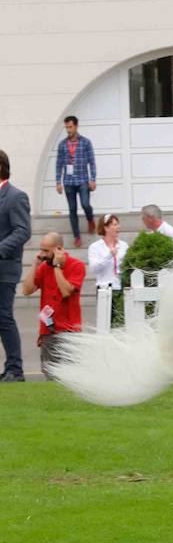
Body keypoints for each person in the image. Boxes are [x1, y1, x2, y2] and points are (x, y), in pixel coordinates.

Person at [20, 231, 85, 377]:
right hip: (48, 331)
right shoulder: (44, 266)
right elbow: (26, 290)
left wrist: (57, 267)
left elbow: (66, 291)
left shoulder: (77, 265)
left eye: (45, 250)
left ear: (59, 249)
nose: (42, 254)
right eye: (41, 249)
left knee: (70, 377)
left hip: (69, 332)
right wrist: (34, 265)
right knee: (50, 377)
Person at [0, 150, 31, 381]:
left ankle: (15, 369)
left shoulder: (15, 196)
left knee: (3, 317)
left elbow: (23, 231)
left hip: (5, 268)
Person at [55, 114, 97, 248]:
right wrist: (58, 182)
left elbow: (92, 161)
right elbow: (59, 164)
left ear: (76, 126)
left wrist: (93, 179)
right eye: (66, 127)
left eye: (70, 127)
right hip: (68, 182)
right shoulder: (62, 145)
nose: (68, 130)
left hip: (83, 180)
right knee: (72, 209)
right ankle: (77, 236)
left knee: (85, 204)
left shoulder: (85, 142)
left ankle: (90, 219)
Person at [87, 213, 127, 292]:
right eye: (115, 225)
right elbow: (94, 269)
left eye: (118, 224)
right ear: (106, 228)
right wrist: (109, 255)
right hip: (104, 288)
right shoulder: (95, 247)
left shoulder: (124, 245)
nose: (118, 227)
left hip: (121, 287)